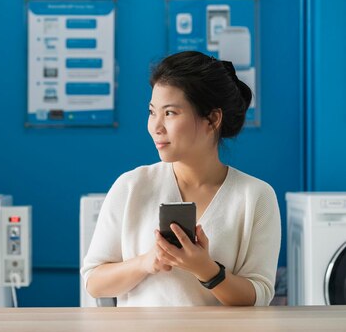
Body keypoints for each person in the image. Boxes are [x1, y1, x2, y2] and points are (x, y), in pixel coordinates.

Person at [81, 50, 280, 307]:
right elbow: (94, 283)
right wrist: (147, 262)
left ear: (212, 118)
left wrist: (206, 269)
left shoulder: (255, 196)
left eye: (170, 113)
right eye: (152, 112)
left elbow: (259, 295)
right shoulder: (131, 185)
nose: (156, 126)